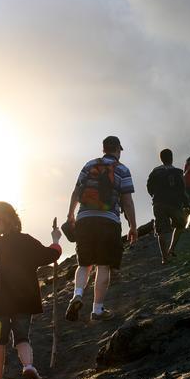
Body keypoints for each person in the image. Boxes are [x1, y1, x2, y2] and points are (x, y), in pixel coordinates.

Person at [0, 202, 62, 379]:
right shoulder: (26, 241)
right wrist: (56, 239)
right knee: (22, 338)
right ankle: (29, 367)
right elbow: (51, 255)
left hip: (0, 299)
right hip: (26, 298)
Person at [65, 135, 137, 322]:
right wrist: (133, 226)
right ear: (118, 150)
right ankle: (97, 309)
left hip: (85, 219)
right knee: (103, 265)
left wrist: (70, 214)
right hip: (108, 221)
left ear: (103, 149)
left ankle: (77, 294)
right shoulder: (122, 169)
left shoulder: (89, 165)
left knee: (84, 263)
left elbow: (76, 191)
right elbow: (127, 202)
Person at [147, 148, 190, 263]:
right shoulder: (178, 172)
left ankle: (164, 258)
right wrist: (188, 204)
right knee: (181, 224)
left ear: (161, 159)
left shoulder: (155, 171)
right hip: (174, 204)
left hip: (158, 203)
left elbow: (149, 187)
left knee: (161, 231)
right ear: (171, 158)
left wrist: (154, 196)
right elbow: (182, 190)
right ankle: (171, 249)